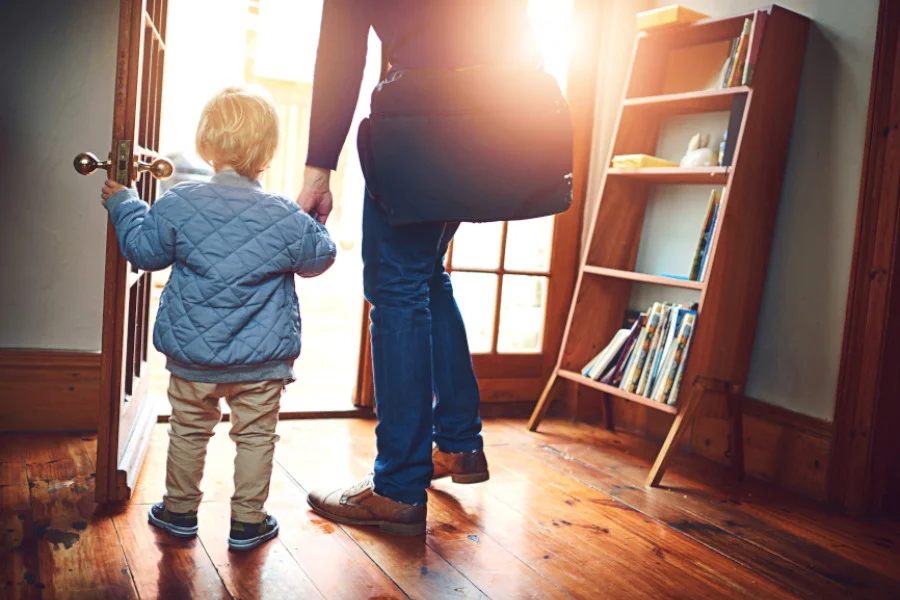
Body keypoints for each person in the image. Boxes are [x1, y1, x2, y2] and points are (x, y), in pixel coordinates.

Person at [301, 1, 536, 536]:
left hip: (420, 116)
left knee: (397, 285)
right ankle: (456, 444)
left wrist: (319, 167)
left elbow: (341, 51)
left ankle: (398, 486)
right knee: (426, 273)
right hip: (488, 115)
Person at [101, 86, 337, 550]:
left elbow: (144, 251)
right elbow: (320, 258)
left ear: (206, 146)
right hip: (261, 363)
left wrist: (124, 204)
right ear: (267, 155)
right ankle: (248, 522)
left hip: (195, 358)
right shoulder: (283, 215)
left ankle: (179, 511)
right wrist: (314, 221)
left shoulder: (179, 202)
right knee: (256, 438)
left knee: (189, 430)